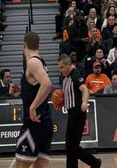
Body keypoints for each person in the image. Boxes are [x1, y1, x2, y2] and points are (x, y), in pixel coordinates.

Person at [11, 32, 53, 168]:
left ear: (24, 45)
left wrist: (32, 107)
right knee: (40, 165)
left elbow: (47, 84)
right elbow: (37, 87)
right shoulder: (40, 61)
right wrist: (20, 90)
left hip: (34, 123)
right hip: (44, 122)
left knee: (20, 164)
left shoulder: (33, 62)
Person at [58, 54, 101, 168]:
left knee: (71, 145)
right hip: (72, 113)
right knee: (72, 146)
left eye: (62, 67)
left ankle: (94, 162)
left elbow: (85, 90)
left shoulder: (75, 76)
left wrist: (84, 102)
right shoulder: (65, 78)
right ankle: (94, 162)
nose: (60, 70)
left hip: (77, 113)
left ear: (68, 65)